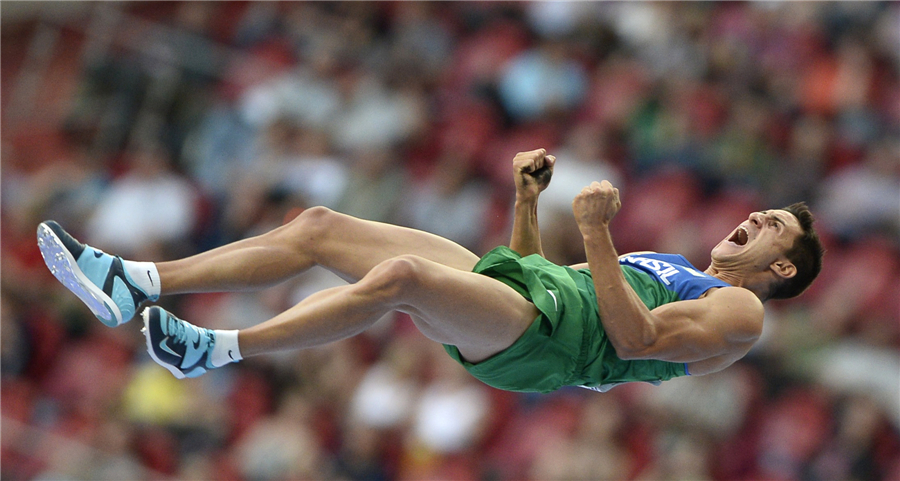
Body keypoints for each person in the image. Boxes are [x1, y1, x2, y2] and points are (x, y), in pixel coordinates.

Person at [36, 149, 824, 393]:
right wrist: (529, 202)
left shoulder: (742, 315)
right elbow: (529, 271)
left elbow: (636, 335)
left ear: (781, 265)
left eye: (773, 228)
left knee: (404, 277)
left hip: (550, 346)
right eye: (764, 210)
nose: (756, 216)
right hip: (537, 297)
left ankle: (217, 349)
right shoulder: (676, 262)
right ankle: (136, 279)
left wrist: (594, 234)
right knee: (319, 226)